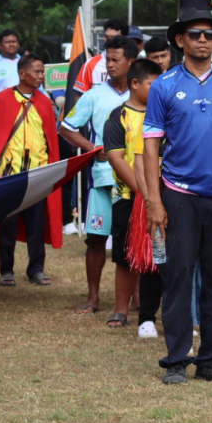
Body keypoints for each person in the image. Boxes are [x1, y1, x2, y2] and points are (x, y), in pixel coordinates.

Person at [142, 8, 212, 385]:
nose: (202, 40)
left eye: (209, 34)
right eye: (195, 34)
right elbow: (150, 146)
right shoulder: (163, 85)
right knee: (176, 276)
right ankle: (176, 359)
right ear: (180, 40)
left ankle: (211, 360)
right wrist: (154, 201)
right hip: (178, 195)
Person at [60, 36, 139, 310]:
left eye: (116, 59)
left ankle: (137, 298)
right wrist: (91, 147)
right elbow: (66, 127)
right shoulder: (94, 95)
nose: (110, 64)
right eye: (108, 59)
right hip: (102, 180)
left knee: (133, 238)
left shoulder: (142, 94)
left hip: (134, 181)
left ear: (132, 62)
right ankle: (93, 297)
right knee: (95, 239)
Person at [0, 53, 62, 287]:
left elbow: (49, 139)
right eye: (36, 72)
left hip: (37, 174)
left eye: (42, 72)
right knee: (7, 224)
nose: (40, 76)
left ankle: (36, 269)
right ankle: (6, 270)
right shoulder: (3, 100)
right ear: (22, 73)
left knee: (37, 223)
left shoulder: (45, 101)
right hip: (10, 174)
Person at [102, 58, 163, 331]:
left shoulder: (164, 114)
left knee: (156, 255)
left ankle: (147, 306)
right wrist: (145, 192)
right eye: (153, 83)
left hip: (161, 198)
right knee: (126, 257)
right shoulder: (118, 116)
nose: (159, 88)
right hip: (129, 196)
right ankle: (120, 309)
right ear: (135, 84)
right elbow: (116, 158)